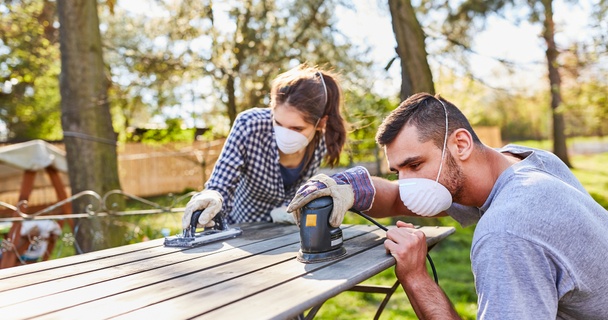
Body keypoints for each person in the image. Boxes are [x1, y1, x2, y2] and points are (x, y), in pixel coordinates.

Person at [287, 92, 608, 319]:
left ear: (461, 143)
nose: (407, 182)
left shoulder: (506, 232)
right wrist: (355, 189)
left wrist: (416, 277)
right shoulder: (531, 162)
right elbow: (400, 197)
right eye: (398, 171)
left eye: (415, 165)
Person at [182, 64, 347, 229]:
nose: (286, 134)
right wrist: (212, 197)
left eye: (297, 128)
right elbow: (221, 183)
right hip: (241, 231)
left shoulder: (321, 142)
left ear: (320, 123)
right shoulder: (250, 125)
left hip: (286, 233)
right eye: (279, 123)